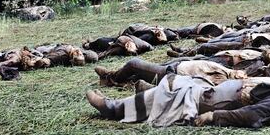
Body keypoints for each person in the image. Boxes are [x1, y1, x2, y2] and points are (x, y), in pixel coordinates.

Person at [86, 74, 270, 128]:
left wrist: (213, 117)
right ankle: (135, 93)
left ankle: (113, 108)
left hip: (209, 102)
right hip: (212, 90)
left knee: (167, 91)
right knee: (175, 81)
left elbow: (252, 113)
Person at [94, 57, 247, 87]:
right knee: (140, 72)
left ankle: (110, 78)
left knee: (134, 64)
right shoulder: (227, 71)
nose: (242, 74)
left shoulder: (223, 79)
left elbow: (203, 84)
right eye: (244, 73)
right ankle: (123, 81)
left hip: (170, 74)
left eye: (244, 77)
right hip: (175, 66)